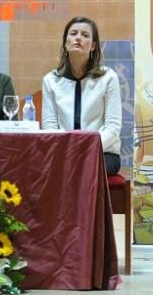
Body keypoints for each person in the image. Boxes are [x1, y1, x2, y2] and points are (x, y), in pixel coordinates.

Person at [41, 16, 122, 176]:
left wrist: (84, 150)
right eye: (73, 33)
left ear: (92, 46)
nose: (78, 37)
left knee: (84, 169)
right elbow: (50, 127)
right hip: (63, 152)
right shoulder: (50, 80)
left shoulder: (108, 77)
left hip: (102, 153)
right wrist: (68, 151)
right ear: (65, 43)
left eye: (85, 35)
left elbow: (113, 128)